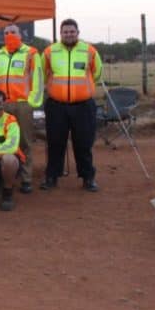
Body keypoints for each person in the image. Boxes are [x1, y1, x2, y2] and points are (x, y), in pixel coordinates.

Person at [41, 18, 103, 192]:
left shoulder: (89, 51)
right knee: (55, 142)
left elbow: (97, 73)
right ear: (60, 34)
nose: (69, 34)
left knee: (84, 143)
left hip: (83, 106)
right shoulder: (49, 52)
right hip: (56, 106)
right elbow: (43, 75)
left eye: (72, 31)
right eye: (65, 32)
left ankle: (88, 178)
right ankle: (52, 177)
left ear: (78, 33)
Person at [0, 24, 43, 194]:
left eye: (13, 32)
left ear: (21, 35)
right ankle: (5, 177)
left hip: (22, 104)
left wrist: (31, 102)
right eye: (6, 33)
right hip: (2, 105)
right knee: (1, 141)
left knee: (24, 141)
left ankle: (25, 179)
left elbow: (37, 79)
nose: (9, 35)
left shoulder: (31, 53)